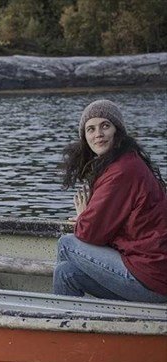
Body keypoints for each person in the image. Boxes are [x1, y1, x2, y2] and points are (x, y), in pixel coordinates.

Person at [53, 99, 167, 302]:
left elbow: (89, 233)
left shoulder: (122, 171)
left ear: (117, 130)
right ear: (85, 137)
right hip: (149, 271)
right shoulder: (126, 162)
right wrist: (88, 218)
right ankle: (68, 329)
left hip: (152, 278)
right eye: (91, 129)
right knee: (66, 273)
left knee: (67, 243)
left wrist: (83, 217)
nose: (98, 134)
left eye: (105, 126)